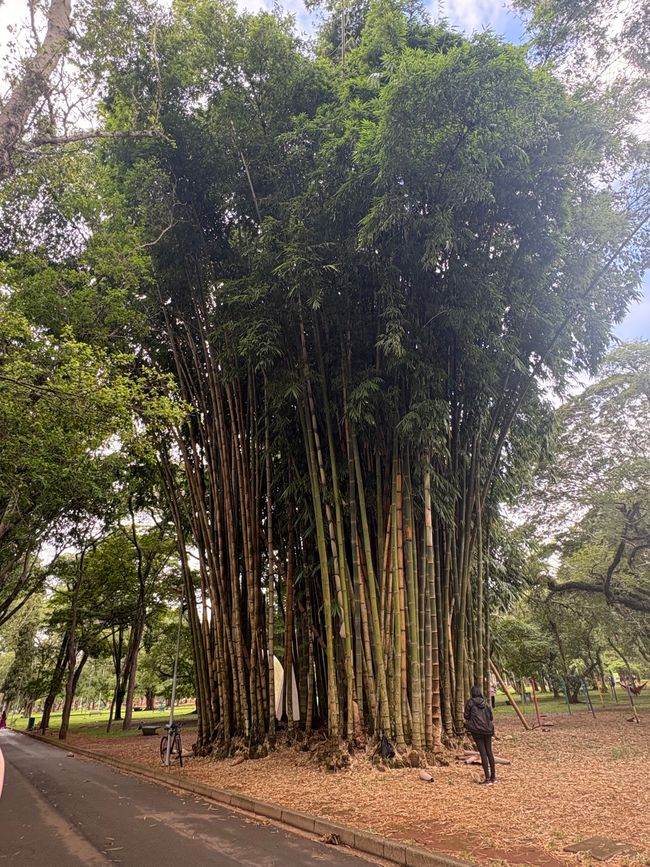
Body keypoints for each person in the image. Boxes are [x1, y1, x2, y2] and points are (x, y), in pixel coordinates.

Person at [464, 685, 496, 785]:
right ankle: (493, 777)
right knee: (489, 752)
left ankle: (487, 778)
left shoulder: (470, 703)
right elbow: (491, 717)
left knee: (483, 753)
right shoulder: (486, 703)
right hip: (488, 730)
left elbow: (466, 716)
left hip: (477, 731)